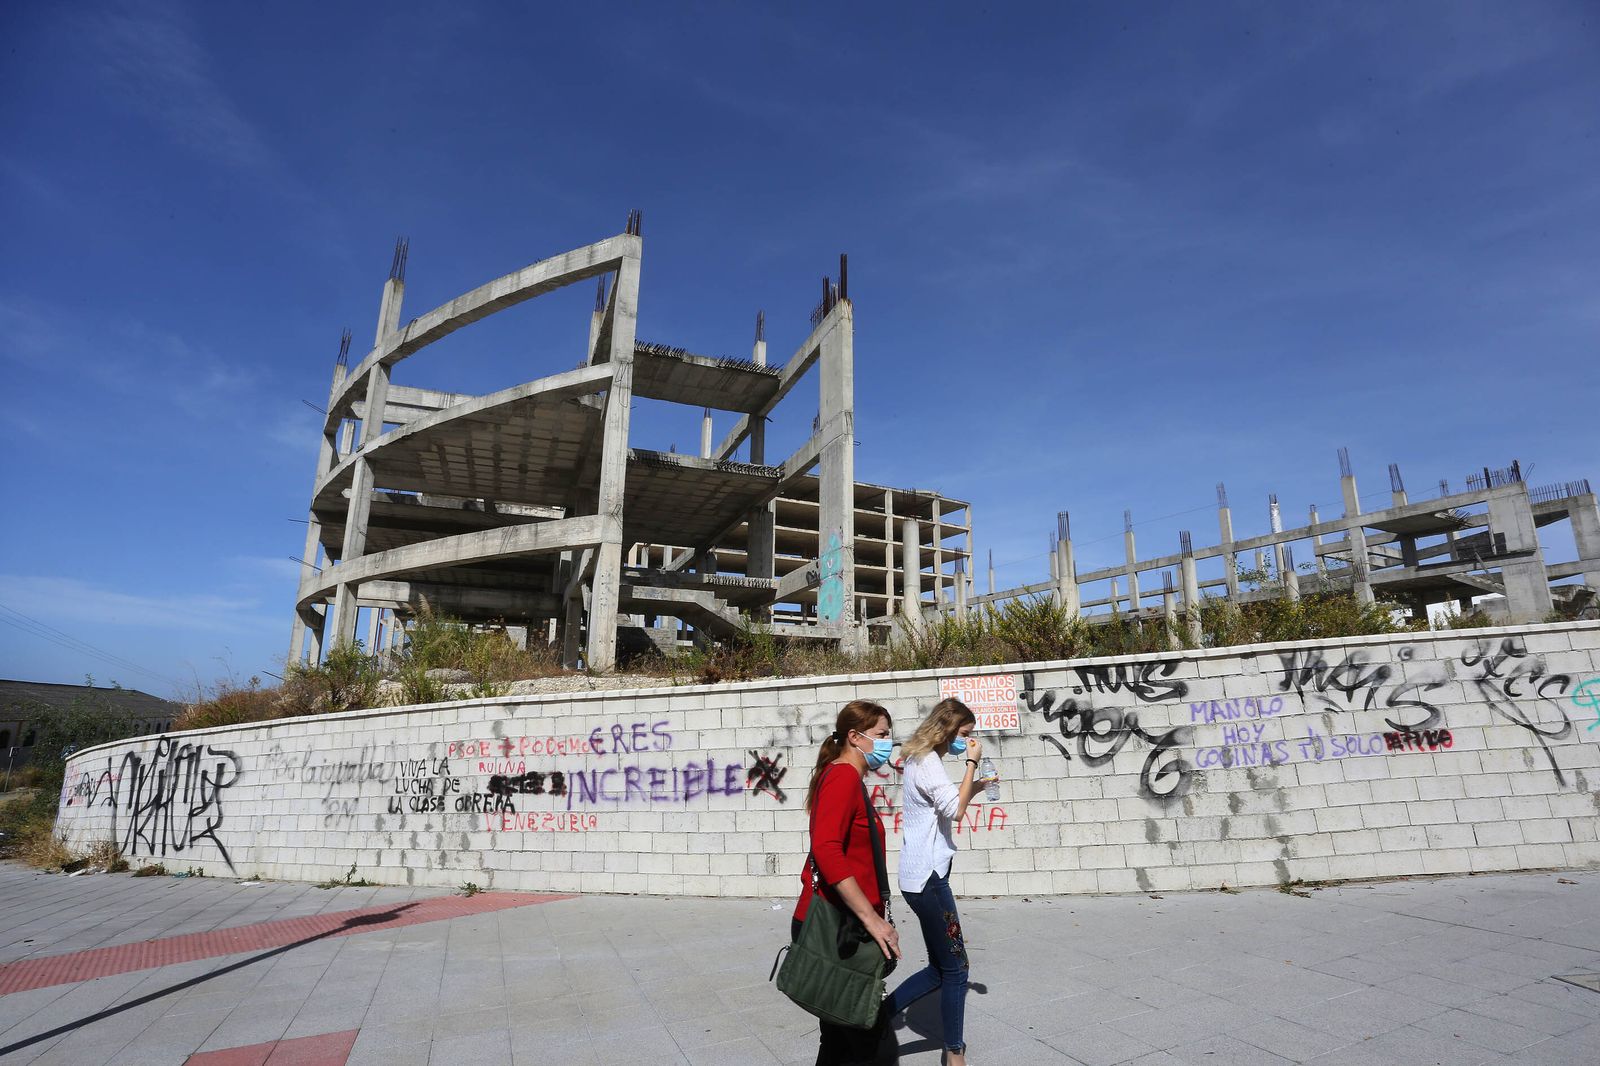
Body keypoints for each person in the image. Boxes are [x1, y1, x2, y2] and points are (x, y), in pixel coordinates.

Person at [794, 700, 901, 1066]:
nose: (888, 743)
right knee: (862, 1038)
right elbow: (826, 849)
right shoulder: (842, 777)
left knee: (841, 1040)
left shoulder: (848, 778)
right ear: (855, 737)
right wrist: (873, 920)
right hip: (839, 926)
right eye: (882, 735)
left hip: (845, 922)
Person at [883, 698, 987, 1066]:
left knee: (939, 968)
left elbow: (945, 805)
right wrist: (973, 763)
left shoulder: (922, 759)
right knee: (957, 969)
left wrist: (975, 785)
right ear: (947, 728)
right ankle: (954, 1052)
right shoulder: (927, 762)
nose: (967, 741)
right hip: (928, 879)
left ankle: (879, 1017)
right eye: (965, 734)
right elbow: (955, 811)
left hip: (922, 876)